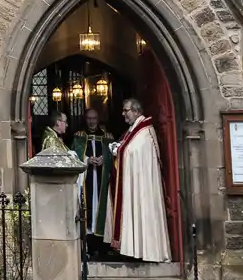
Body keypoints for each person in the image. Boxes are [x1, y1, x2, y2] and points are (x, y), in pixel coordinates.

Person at [107, 97, 172, 264]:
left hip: (144, 189)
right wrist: (118, 148)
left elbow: (133, 152)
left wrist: (118, 150)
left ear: (136, 111)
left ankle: (148, 250)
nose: (123, 114)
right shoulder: (135, 129)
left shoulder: (144, 132)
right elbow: (128, 149)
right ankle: (135, 249)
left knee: (143, 212)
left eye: (126, 110)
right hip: (136, 185)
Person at [70, 105, 115, 242]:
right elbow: (72, 156)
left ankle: (102, 240)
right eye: (89, 118)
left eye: (94, 118)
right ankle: (87, 237)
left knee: (102, 206)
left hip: (102, 180)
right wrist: (87, 160)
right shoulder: (79, 137)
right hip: (87, 177)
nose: (91, 121)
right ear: (85, 119)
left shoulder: (107, 137)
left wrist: (105, 160)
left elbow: (115, 157)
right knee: (87, 205)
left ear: (98, 119)